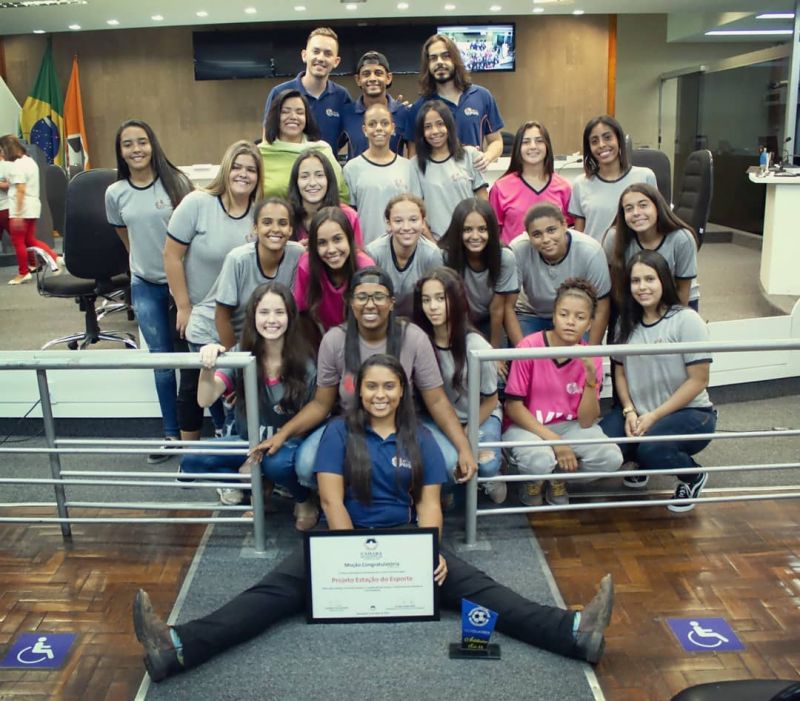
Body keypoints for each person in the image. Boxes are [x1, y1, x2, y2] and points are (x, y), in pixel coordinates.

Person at [133, 353, 614, 683]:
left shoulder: (419, 436)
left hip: (406, 541)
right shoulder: (339, 432)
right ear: (358, 391)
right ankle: (176, 647)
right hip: (341, 539)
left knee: (484, 592)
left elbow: (428, 503)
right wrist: (346, 562)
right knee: (268, 596)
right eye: (371, 387)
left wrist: (428, 551)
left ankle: (575, 634)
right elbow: (331, 501)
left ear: (402, 390)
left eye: (389, 386)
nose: (380, 395)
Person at [262, 266, 478, 488]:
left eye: (378, 297)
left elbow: (436, 400)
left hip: (405, 422)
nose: (370, 304)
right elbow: (320, 404)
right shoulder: (335, 340)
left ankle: (416, 502)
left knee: (450, 462)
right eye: (362, 297)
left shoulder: (413, 337)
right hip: (350, 422)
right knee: (306, 466)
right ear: (351, 302)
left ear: (392, 302)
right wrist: (283, 434)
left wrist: (463, 447)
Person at [179, 283, 319, 529]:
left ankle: (302, 498)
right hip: (248, 444)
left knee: (278, 463)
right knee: (192, 458)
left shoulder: (305, 362)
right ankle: (258, 482)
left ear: (290, 317)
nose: (271, 320)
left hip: (286, 446)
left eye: (279, 312)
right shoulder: (241, 354)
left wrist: (263, 457)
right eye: (264, 312)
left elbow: (312, 421)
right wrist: (208, 365)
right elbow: (205, 399)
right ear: (253, 316)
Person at [599, 250, 716, 512]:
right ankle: (643, 460)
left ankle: (692, 476)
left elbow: (699, 380)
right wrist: (629, 410)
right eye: (636, 281)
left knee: (652, 449)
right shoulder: (625, 323)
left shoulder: (686, 320)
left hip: (690, 413)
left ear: (664, 280)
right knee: (602, 449)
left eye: (650, 279)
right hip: (639, 412)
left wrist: (654, 416)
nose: (642, 287)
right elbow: (620, 370)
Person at [105, 120, 194, 460]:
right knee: (161, 361)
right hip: (146, 285)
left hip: (183, 285)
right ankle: (171, 435)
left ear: (153, 145)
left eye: (142, 142)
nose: (136, 149)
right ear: (121, 152)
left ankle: (209, 430)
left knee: (197, 356)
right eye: (128, 144)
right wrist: (143, 264)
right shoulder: (115, 194)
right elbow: (124, 235)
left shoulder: (177, 183)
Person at [165, 140, 262, 442]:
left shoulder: (259, 213)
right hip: (204, 315)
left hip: (243, 321)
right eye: (237, 167)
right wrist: (183, 306)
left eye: (251, 169)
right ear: (225, 168)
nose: (243, 174)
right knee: (209, 388)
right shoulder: (198, 203)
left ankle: (229, 453)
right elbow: (171, 256)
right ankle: (198, 458)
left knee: (233, 395)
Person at [503, 279, 622, 507]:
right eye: (564, 314)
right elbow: (513, 408)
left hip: (570, 426)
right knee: (538, 461)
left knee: (611, 457)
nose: (570, 322)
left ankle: (558, 476)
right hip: (527, 425)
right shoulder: (529, 347)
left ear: (589, 324)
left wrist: (589, 378)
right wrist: (556, 442)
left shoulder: (592, 356)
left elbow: (587, 421)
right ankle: (535, 479)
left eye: (579, 317)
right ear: (554, 316)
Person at [413, 267, 506, 503]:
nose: (432, 306)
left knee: (485, 465)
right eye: (426, 300)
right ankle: (450, 487)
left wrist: (465, 432)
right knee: (448, 463)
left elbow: (491, 400)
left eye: (440, 298)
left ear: (455, 300)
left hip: (479, 414)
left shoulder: (476, 345)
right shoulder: (419, 340)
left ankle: (495, 473)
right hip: (439, 418)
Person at [185, 197, 305, 351]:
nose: (275, 229)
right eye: (267, 222)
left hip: (250, 338)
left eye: (282, 223)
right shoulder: (238, 259)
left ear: (290, 230)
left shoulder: (296, 254)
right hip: (211, 335)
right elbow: (221, 317)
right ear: (255, 228)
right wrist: (236, 363)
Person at [507, 203, 611, 348]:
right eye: (537, 234)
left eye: (551, 230)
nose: (546, 239)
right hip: (532, 314)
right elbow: (507, 306)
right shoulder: (518, 249)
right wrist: (522, 351)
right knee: (532, 361)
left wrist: (592, 351)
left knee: (578, 363)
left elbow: (602, 305)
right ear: (528, 235)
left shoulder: (591, 251)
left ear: (564, 225)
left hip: (574, 316)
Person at [405, 34, 504, 170]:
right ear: (428, 65)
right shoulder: (419, 107)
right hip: (436, 187)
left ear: (455, 59)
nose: (440, 62)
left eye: (446, 56)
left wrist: (487, 157)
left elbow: (497, 141)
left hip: (472, 182)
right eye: (433, 58)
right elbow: (413, 157)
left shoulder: (482, 96)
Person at [603, 183, 699, 315]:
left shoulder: (682, 239)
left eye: (643, 205)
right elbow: (613, 285)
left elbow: (683, 289)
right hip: (634, 298)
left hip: (676, 300)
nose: (636, 213)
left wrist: (674, 324)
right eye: (629, 208)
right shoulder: (614, 238)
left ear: (657, 207)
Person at [438, 197, 518, 354]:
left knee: (498, 374)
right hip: (456, 319)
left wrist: (494, 353)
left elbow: (497, 309)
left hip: (490, 320)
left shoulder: (504, 257)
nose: (475, 236)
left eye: (482, 229)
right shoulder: (444, 256)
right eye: (467, 230)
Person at [261, 27, 352, 151]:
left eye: (328, 53)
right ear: (304, 55)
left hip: (327, 168)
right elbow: (268, 138)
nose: (321, 58)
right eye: (316, 51)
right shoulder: (279, 93)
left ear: (336, 61)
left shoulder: (342, 97)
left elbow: (346, 137)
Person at [568, 115, 657, 242]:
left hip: (635, 258)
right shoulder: (580, 184)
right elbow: (579, 235)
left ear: (619, 140)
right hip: (594, 258)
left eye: (607, 137)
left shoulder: (645, 176)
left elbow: (655, 225)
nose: (601, 145)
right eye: (594, 141)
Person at [409, 100, 487, 240]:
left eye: (440, 124)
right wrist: (433, 246)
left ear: (449, 125)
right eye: (428, 126)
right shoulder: (415, 165)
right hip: (437, 244)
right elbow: (416, 213)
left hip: (470, 240)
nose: (435, 131)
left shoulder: (469, 155)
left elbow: (483, 200)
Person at [292, 206, 374, 334]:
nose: (331, 249)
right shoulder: (306, 266)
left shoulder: (365, 266)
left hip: (360, 333)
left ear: (349, 238)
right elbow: (302, 314)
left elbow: (372, 314)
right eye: (322, 243)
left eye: (337, 239)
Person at [489, 121, 573, 245]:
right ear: (518, 147)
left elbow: (570, 230)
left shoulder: (564, 187)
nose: (533, 146)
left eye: (539, 141)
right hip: (514, 260)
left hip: (553, 261)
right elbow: (493, 232)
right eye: (526, 142)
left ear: (547, 146)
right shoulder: (500, 188)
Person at [259, 89, 349, 201]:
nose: (293, 117)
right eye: (285, 111)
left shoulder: (322, 150)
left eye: (300, 112)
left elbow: (341, 194)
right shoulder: (261, 154)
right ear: (275, 116)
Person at [343, 103, 412, 245]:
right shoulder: (352, 168)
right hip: (365, 249)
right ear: (364, 130)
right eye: (372, 124)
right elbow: (349, 217)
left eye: (384, 123)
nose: (379, 128)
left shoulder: (407, 167)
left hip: (401, 248)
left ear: (393, 128)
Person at [365, 194, 442, 317]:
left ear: (423, 222)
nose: (406, 227)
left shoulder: (431, 254)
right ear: (388, 224)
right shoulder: (374, 253)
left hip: (420, 320)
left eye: (413, 220)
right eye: (398, 221)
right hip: (382, 319)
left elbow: (437, 297)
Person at [0, 135, 62, 286]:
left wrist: (18, 215)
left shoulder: (17, 165)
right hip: (32, 205)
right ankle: (55, 257)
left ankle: (23, 272)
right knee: (29, 240)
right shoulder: (29, 161)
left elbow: (20, 189)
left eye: (1, 149)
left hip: (21, 207)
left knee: (18, 241)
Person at [341, 51, 409, 161]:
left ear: (388, 78)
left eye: (378, 73)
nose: (372, 78)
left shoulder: (403, 113)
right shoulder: (346, 114)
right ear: (358, 79)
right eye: (366, 74)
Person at [287, 148, 363, 245]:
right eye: (304, 176)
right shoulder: (286, 217)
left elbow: (358, 257)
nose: (312, 183)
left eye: (319, 175)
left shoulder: (349, 216)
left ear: (329, 179)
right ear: (296, 182)